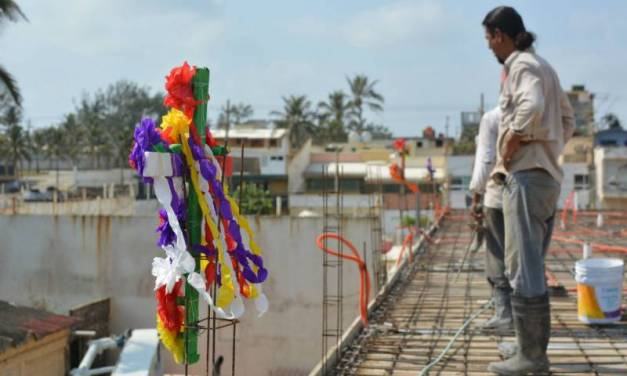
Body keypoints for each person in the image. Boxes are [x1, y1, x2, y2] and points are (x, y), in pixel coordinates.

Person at [481, 6, 574, 375]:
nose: (489, 47)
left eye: (489, 38)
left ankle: (532, 359)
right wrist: (548, 148)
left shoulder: (519, 64)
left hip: (526, 176)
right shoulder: (544, 66)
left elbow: (531, 107)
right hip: (546, 174)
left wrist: (514, 145)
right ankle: (525, 348)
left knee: (523, 268)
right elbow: (567, 120)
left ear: (499, 35)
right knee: (529, 264)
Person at [468, 105, 512, 331]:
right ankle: (525, 319)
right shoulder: (542, 112)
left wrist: (476, 197)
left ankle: (504, 313)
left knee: (497, 254)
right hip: (537, 195)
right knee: (528, 256)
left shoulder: (493, 118)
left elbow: (484, 161)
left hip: (499, 197)